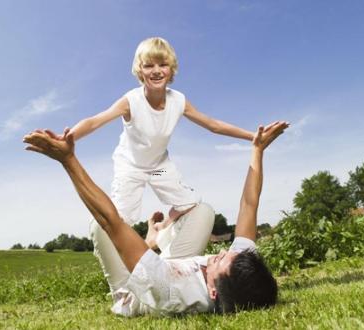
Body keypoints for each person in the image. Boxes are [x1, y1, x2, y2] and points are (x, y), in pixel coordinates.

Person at [23, 120, 288, 316]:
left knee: (100, 229)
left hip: (134, 288)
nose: (218, 253)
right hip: (173, 264)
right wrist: (258, 149)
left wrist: (68, 160)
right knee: (203, 211)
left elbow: (110, 221)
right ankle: (152, 245)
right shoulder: (240, 269)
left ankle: (148, 246)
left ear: (213, 292)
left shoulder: (171, 292)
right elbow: (249, 205)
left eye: (219, 260)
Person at [56, 37, 255, 225]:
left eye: (163, 64)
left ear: (171, 69)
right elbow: (94, 121)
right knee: (122, 219)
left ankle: (159, 230)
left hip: (159, 168)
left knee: (190, 203)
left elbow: (213, 125)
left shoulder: (179, 101)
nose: (156, 71)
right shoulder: (131, 101)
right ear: (140, 71)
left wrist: (252, 136)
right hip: (131, 168)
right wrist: (68, 138)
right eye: (149, 65)